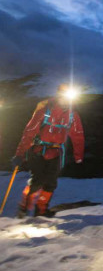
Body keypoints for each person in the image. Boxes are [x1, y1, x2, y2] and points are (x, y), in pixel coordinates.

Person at [11, 83, 84, 217]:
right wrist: (20, 154)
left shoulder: (72, 115)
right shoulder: (44, 111)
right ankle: (24, 208)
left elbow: (77, 135)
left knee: (51, 183)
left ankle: (41, 210)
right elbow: (29, 132)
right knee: (37, 181)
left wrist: (78, 155)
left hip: (56, 152)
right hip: (39, 150)